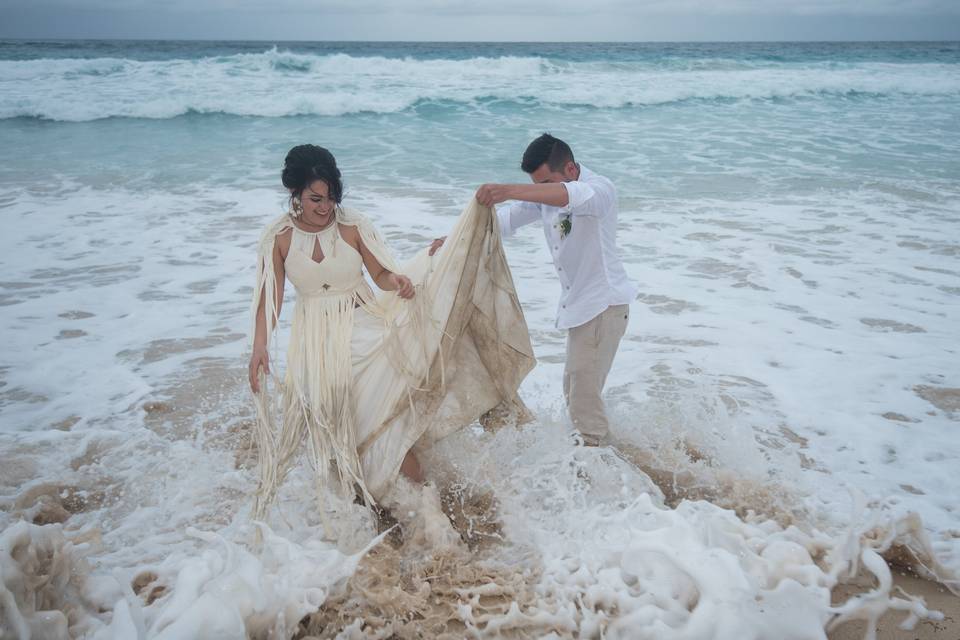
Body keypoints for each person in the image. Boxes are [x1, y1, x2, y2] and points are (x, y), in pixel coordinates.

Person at [248, 144, 535, 525]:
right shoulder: (278, 237)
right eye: (315, 198)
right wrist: (260, 346)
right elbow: (271, 295)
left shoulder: (352, 226)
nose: (325, 207)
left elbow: (381, 274)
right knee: (342, 428)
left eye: (331, 198)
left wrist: (396, 279)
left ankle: (424, 510)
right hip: (317, 345)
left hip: (367, 332)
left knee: (386, 423)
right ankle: (375, 506)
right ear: (294, 193)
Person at [430, 134, 637, 447]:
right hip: (581, 309)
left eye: (545, 183)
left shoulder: (600, 190)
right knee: (574, 392)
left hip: (604, 307)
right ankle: (614, 463)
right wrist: (453, 240)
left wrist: (508, 189)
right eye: (536, 185)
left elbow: (573, 195)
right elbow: (508, 219)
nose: (541, 192)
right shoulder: (547, 194)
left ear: (570, 169)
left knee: (583, 405)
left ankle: (608, 475)